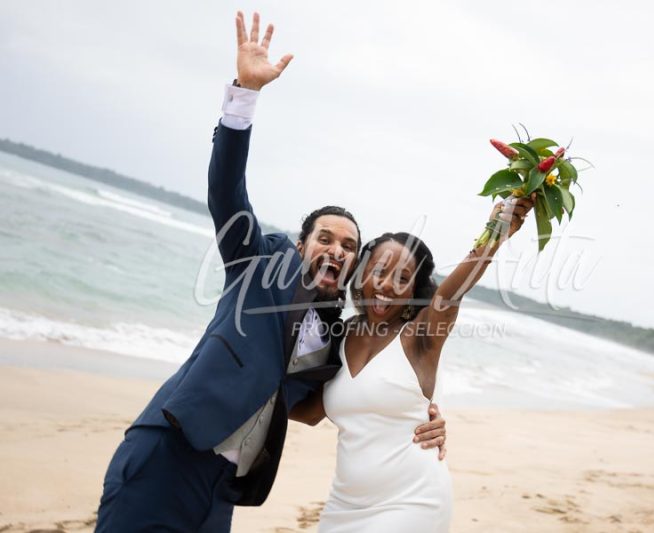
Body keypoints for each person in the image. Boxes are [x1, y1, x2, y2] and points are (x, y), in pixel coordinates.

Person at [95, 12, 446, 532]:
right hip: (169, 453)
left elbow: (332, 402)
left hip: (226, 487)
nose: (336, 249)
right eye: (324, 238)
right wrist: (244, 96)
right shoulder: (257, 264)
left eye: (349, 246)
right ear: (301, 244)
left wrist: (423, 418)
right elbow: (226, 189)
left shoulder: (334, 339)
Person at [291, 208, 533, 530]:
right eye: (378, 270)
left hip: (412, 502)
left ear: (413, 291)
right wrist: (245, 396)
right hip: (343, 505)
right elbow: (309, 412)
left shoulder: (420, 337)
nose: (386, 285)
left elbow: (451, 293)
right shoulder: (341, 334)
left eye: (402, 278)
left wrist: (497, 231)